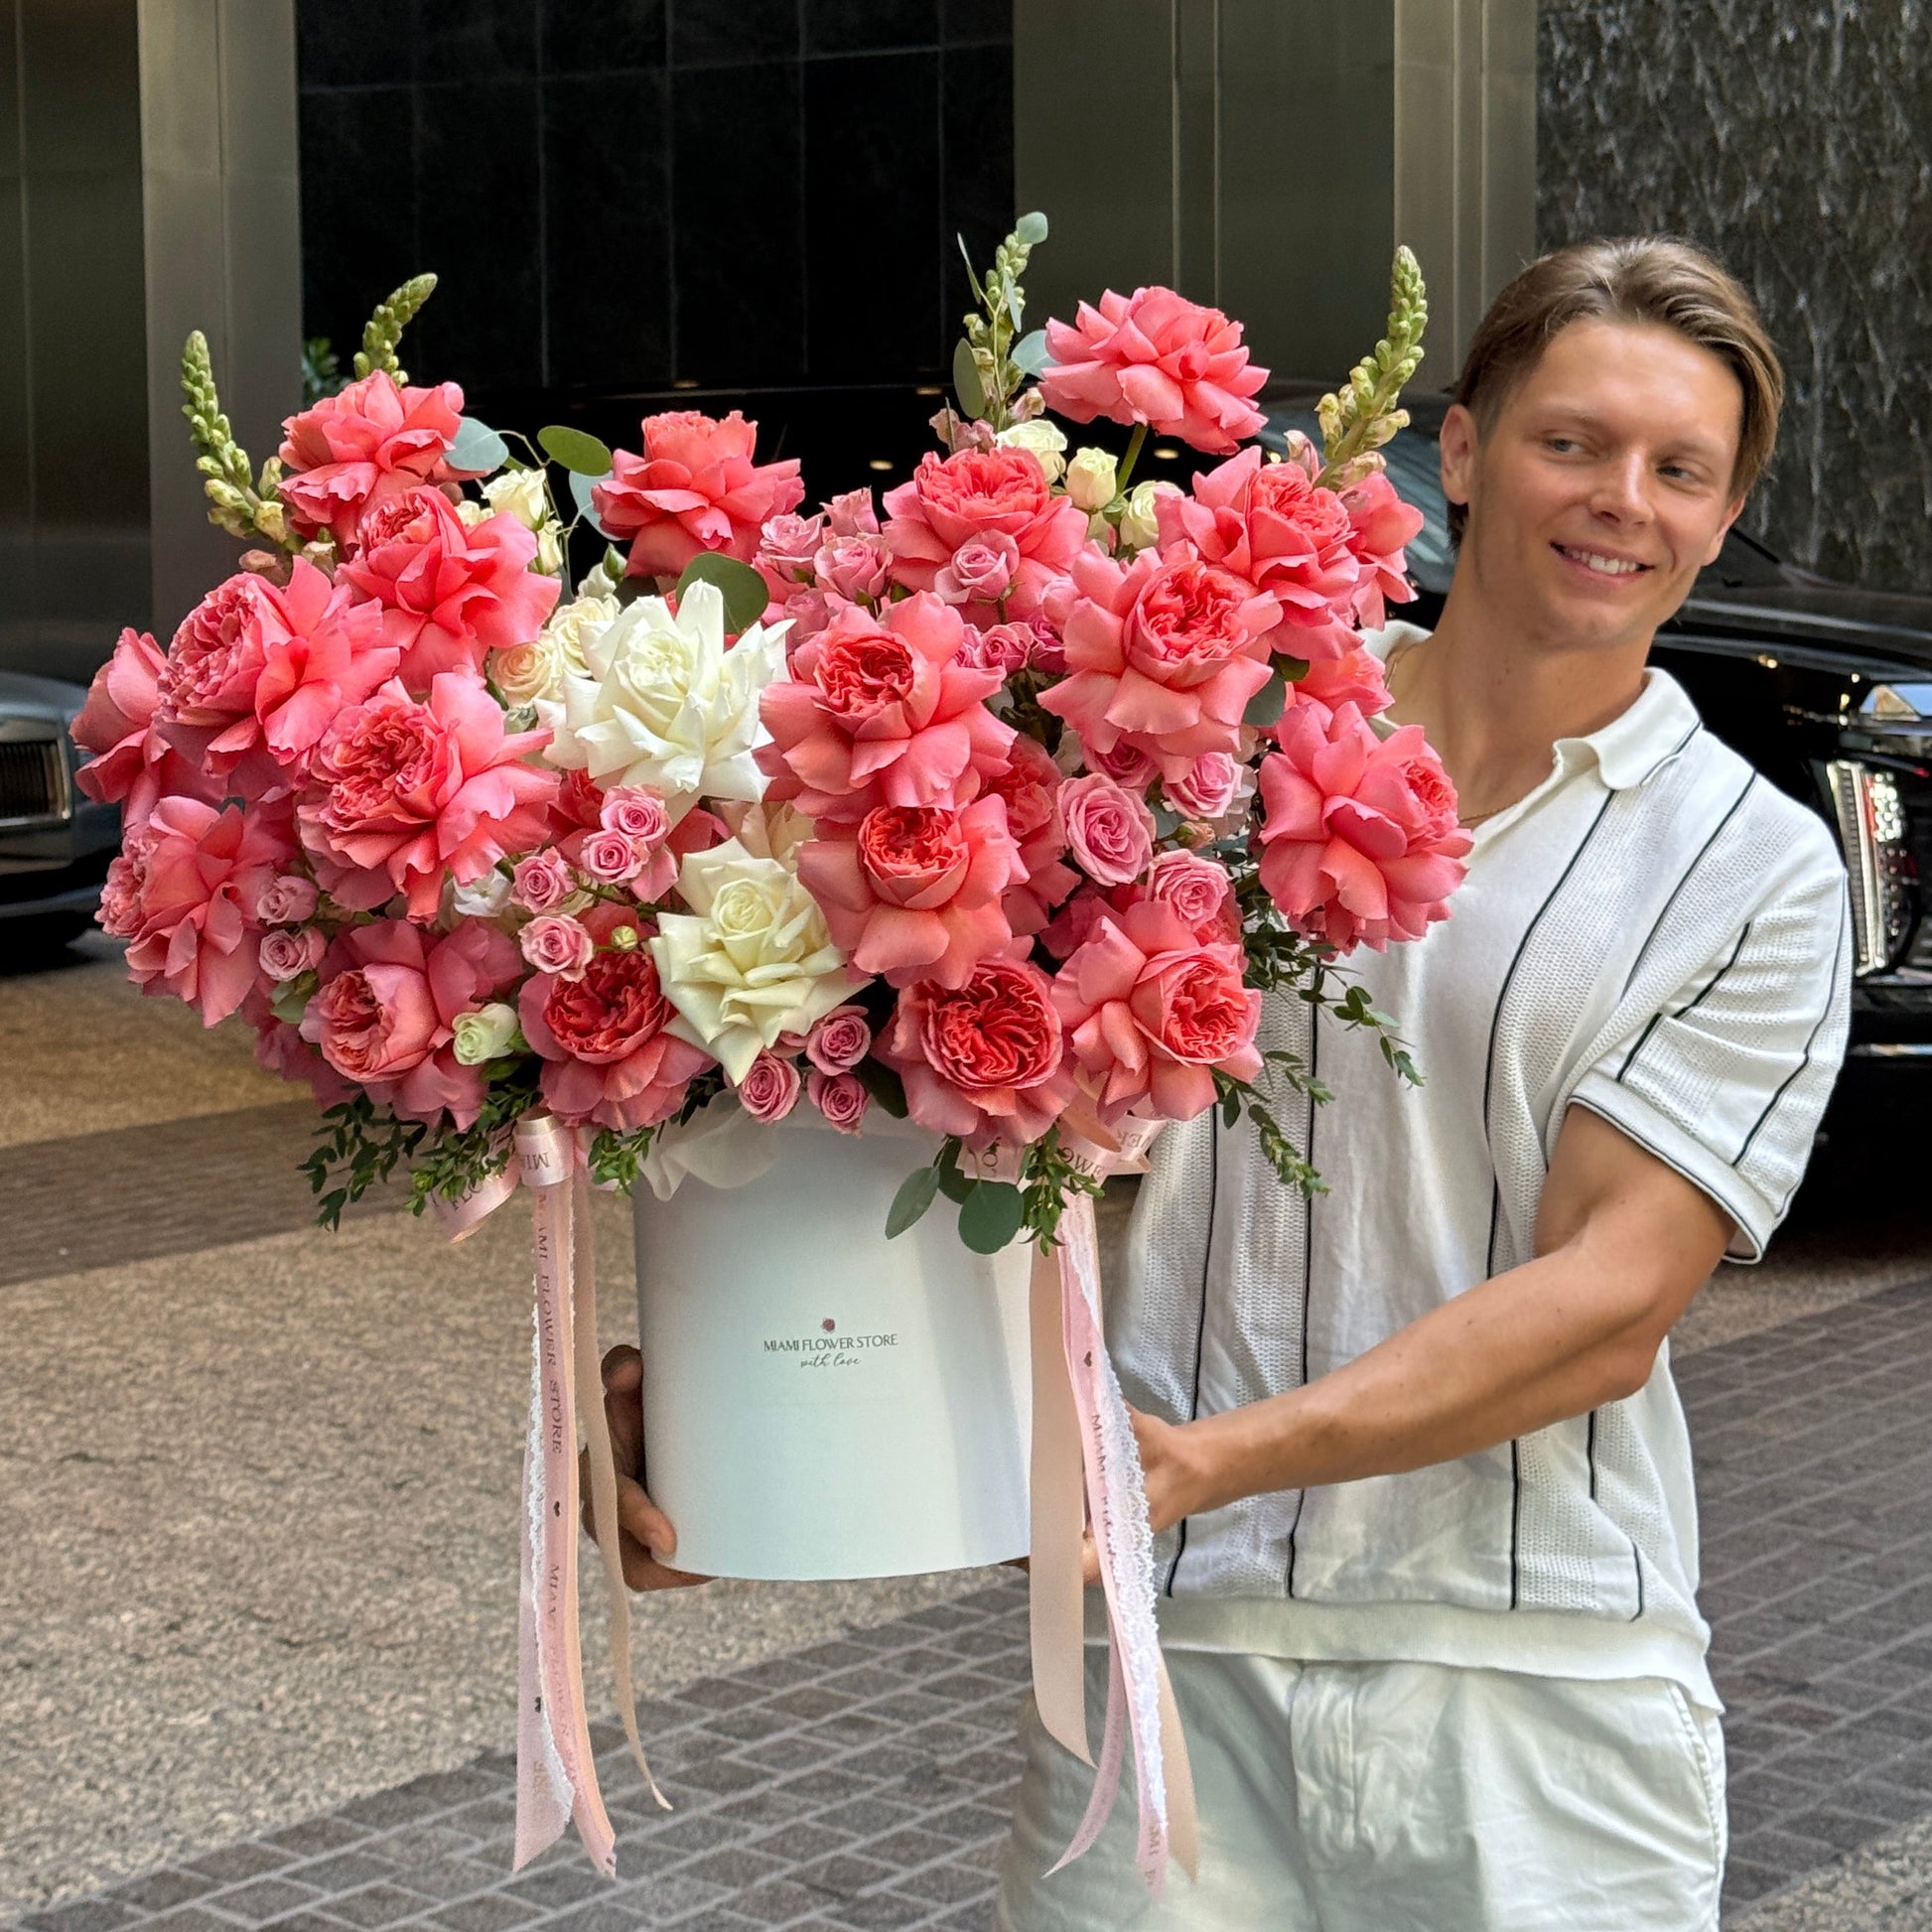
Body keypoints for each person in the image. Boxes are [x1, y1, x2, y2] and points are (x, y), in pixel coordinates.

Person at [595, 237, 1852, 1930]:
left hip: (1540, 1701)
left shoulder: (1751, 866)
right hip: (1160, 1682)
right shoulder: (1186, 741)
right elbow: (961, 1107)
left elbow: (1608, 1300)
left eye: (1678, 469)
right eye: (1572, 441)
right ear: (1462, 452)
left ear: (1719, 512)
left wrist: (1204, 1458)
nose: (1620, 497)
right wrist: (741, 1416)